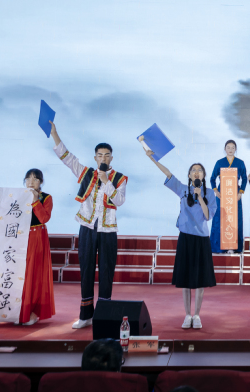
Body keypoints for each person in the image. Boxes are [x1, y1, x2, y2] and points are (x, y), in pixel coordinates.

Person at [49, 121, 127, 329]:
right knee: (86, 270)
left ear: (111, 158)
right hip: (87, 227)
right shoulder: (86, 173)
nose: (103, 158)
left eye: (107, 155)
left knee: (107, 272)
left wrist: (106, 181)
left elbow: (119, 201)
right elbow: (67, 158)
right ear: (95, 158)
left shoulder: (119, 178)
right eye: (100, 155)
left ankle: (104, 315)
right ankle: (85, 316)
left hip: (108, 230)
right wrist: (55, 134)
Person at [143, 146, 217, 329]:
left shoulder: (210, 194)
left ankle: (197, 315)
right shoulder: (183, 189)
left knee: (200, 280)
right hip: (185, 238)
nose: (196, 172)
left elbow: (208, 216)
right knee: (185, 279)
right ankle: (187, 315)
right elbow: (168, 173)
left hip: (201, 239)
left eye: (200, 170)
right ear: (190, 175)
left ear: (203, 175)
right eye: (193, 170)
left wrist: (200, 197)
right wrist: (152, 159)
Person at [18, 168, 55, 326]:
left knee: (34, 274)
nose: (31, 182)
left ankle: (33, 312)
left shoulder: (46, 197)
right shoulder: (18, 196)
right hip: (20, 238)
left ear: (41, 182)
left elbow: (43, 218)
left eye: (35, 179)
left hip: (37, 237)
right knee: (20, 275)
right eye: (28, 179)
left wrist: (35, 200)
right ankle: (19, 311)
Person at [210, 140, 247, 254]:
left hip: (234, 194)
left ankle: (234, 247)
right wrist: (216, 191)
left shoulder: (240, 162)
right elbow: (212, 178)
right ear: (225, 149)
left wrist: (240, 192)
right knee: (220, 218)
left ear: (236, 149)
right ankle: (218, 247)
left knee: (235, 218)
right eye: (228, 147)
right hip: (222, 194)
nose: (230, 150)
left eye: (233, 147)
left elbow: (245, 178)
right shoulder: (219, 162)